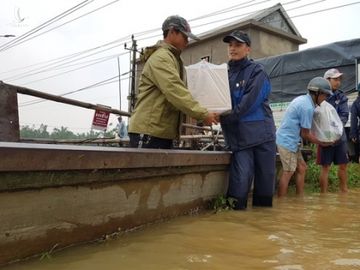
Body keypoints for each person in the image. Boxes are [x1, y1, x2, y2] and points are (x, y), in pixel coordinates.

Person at [128, 15, 218, 149]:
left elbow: (180, 91)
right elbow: (175, 91)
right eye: (185, 36)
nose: (187, 42)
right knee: (147, 170)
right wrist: (203, 114)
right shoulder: (162, 57)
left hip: (159, 131)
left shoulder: (172, 58)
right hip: (149, 130)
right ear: (172, 32)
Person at [219, 30, 277, 210]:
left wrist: (222, 118)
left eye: (238, 45)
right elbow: (218, 100)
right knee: (240, 182)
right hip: (240, 139)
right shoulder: (224, 74)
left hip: (263, 137)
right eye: (230, 45)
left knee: (265, 184)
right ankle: (236, 224)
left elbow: (248, 104)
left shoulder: (257, 71)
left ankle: (261, 226)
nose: (233, 49)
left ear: (248, 49)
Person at [276, 77, 334, 197]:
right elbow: (305, 134)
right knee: (288, 172)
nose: (325, 99)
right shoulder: (307, 107)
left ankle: (300, 198)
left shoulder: (304, 100)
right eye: (325, 95)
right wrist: (322, 142)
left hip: (290, 141)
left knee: (302, 168)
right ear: (318, 93)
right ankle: (281, 202)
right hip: (287, 141)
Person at [317, 69, 349, 193]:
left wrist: (336, 130)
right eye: (335, 79)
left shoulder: (342, 96)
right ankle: (323, 196)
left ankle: (344, 192)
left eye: (339, 79)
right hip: (324, 137)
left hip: (340, 137)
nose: (338, 82)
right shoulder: (319, 95)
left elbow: (344, 115)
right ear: (326, 80)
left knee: (343, 166)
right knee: (325, 167)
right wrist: (326, 132)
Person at [349, 83, 360, 163]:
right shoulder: (356, 103)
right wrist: (353, 134)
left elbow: (354, 119)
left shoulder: (356, 103)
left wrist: (353, 134)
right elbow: (354, 119)